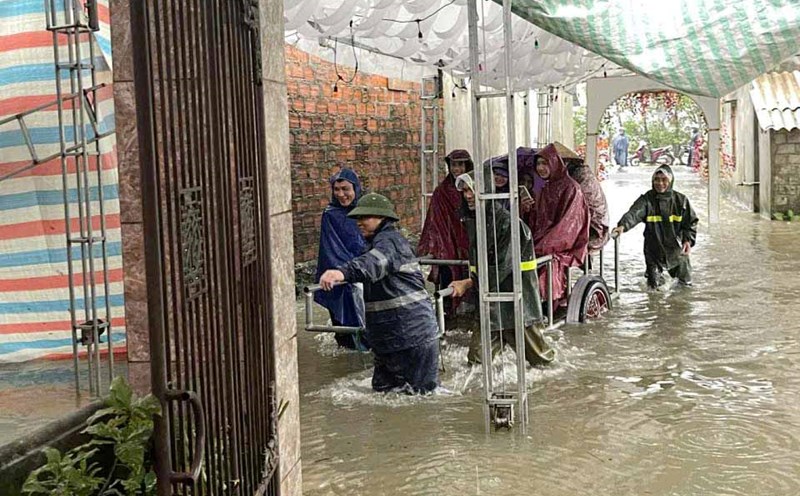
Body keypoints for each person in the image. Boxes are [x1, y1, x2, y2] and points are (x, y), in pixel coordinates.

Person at [319, 193, 439, 393]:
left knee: (418, 398)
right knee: (385, 393)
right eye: (357, 218)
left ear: (383, 218)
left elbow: (372, 264)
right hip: (391, 338)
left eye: (365, 217)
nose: (359, 222)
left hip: (411, 337)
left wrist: (341, 272)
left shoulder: (389, 241)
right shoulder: (379, 242)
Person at [448, 171, 555, 367]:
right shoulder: (475, 221)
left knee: (540, 361)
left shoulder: (507, 223)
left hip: (515, 301)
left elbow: (500, 267)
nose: (468, 195)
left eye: (472, 190)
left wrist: (468, 283)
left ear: (487, 191)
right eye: (464, 191)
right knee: (477, 363)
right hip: (490, 301)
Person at [612, 165, 698, 289]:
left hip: (677, 252)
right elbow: (634, 213)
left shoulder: (681, 201)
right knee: (653, 290)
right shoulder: (647, 200)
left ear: (671, 181)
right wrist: (622, 226)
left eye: (664, 180)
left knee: (685, 288)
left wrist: (688, 240)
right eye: (656, 179)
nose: (660, 183)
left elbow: (690, 223)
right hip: (654, 252)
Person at [530, 144, 590, 310]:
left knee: (543, 263)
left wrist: (543, 246)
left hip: (562, 245)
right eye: (538, 164)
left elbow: (568, 226)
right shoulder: (545, 188)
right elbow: (538, 221)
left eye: (545, 163)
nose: (541, 168)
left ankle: (551, 304)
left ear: (555, 163)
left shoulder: (572, 189)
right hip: (544, 242)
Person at [314, 168, 369, 350]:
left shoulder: (366, 211)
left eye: (345, 189)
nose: (341, 194)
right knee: (345, 335)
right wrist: (344, 272)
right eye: (336, 189)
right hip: (339, 277)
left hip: (365, 276)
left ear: (355, 188)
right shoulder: (330, 214)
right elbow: (329, 248)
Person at [417, 150, 473, 319]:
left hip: (468, 239)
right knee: (447, 273)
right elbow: (434, 219)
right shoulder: (441, 191)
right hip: (447, 242)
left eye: (461, 164)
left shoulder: (473, 188)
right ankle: (448, 316)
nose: (457, 169)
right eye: (454, 165)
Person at [555, 141, 610, 253]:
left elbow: (573, 207)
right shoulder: (578, 174)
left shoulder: (579, 177)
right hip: (593, 225)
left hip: (593, 228)